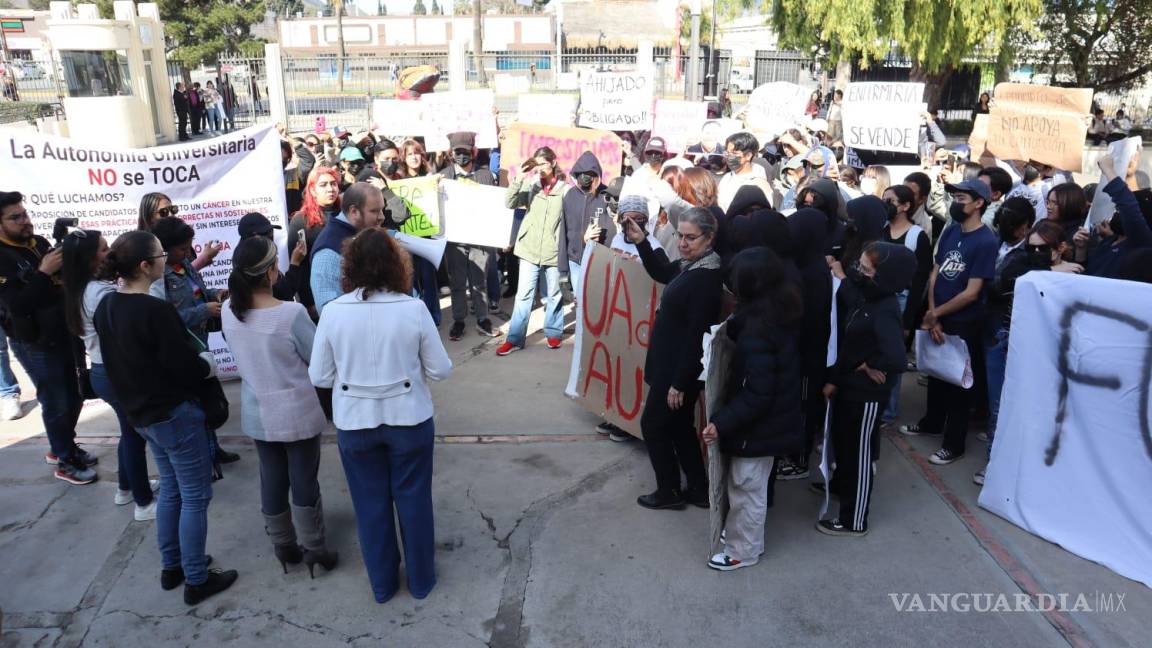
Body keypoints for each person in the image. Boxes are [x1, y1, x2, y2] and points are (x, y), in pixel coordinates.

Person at [94, 230, 237, 604]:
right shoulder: (154, 311)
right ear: (145, 265)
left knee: (173, 489)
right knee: (194, 496)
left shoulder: (108, 306)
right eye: (160, 254)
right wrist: (207, 367)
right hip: (173, 413)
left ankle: (173, 565)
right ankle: (196, 577)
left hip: (143, 416)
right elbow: (185, 367)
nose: (169, 258)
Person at [309, 228, 452, 604]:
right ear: (396, 264)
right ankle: (421, 582)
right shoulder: (413, 308)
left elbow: (319, 376)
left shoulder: (334, 312)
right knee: (414, 500)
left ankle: (382, 586)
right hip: (410, 419)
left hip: (355, 423)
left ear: (350, 266)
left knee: (370, 506)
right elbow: (440, 369)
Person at [221, 236, 337, 576]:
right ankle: (315, 548)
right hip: (296, 410)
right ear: (272, 271)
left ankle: (283, 546)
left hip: (258, 411)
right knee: (303, 479)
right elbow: (318, 357)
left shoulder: (229, 309)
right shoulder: (291, 313)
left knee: (271, 477)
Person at [701, 247, 804, 570]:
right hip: (767, 422)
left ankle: (742, 550)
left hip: (760, 426)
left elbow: (758, 392)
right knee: (747, 484)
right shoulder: (775, 311)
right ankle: (740, 537)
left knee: (747, 487)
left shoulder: (759, 328)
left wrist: (721, 421)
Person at [621, 207, 723, 509]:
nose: (682, 243)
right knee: (679, 427)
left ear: (710, 238)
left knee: (653, 425)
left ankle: (668, 491)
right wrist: (642, 241)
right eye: (680, 235)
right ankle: (697, 489)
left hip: (678, 370)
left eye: (691, 237)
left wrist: (680, 382)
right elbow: (664, 272)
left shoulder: (705, 277)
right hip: (672, 365)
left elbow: (697, 336)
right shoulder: (692, 264)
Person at [0, 191, 96, 484]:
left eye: (24, 214)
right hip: (34, 341)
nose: (24, 221)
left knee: (76, 393)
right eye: (15, 218)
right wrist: (43, 272)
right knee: (56, 400)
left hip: (65, 330)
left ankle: (64, 446)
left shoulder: (38, 243)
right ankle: (65, 461)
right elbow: (16, 306)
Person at [820, 242, 916, 536]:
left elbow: (896, 357)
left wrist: (866, 364)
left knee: (859, 455)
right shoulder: (865, 295)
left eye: (864, 269)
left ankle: (854, 519)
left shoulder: (885, 308)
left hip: (866, 395)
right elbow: (849, 296)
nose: (857, 272)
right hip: (848, 388)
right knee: (845, 447)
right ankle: (839, 486)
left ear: (883, 277)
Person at [901, 179, 998, 465]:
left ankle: (953, 444)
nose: (956, 202)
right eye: (954, 197)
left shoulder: (986, 241)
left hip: (964, 322)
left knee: (959, 383)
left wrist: (938, 314)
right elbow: (936, 273)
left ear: (979, 203)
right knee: (936, 373)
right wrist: (932, 313)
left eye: (962, 198)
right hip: (938, 317)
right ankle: (932, 422)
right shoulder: (952, 230)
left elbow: (972, 291)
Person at [62, 229, 158, 516]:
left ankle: (126, 488)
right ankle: (142, 502)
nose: (110, 254)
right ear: (90, 259)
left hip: (104, 372)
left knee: (129, 433)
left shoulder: (80, 290)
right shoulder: (101, 294)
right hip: (115, 372)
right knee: (134, 437)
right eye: (104, 249)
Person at [978, 220, 1082, 485]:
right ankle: (994, 464)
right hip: (1004, 343)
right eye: (1030, 248)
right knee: (999, 408)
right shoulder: (1021, 263)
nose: (1034, 253)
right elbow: (1000, 284)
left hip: (1044, 352)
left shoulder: (1075, 274)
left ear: (1061, 248)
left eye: (1042, 249)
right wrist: (1048, 268)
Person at [497, 146, 568, 355]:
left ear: (553, 163)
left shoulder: (564, 189)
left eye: (544, 163)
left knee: (553, 294)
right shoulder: (531, 185)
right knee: (523, 296)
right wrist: (518, 179)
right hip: (528, 249)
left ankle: (554, 332)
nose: (541, 168)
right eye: (537, 164)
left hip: (553, 251)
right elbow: (509, 203)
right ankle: (515, 338)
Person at [878, 185, 932, 427]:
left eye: (890, 201)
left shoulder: (916, 236)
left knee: (893, 356)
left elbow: (921, 281)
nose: (886, 204)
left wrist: (909, 320)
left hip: (901, 301)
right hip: (878, 298)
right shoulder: (881, 230)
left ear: (905, 206)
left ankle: (888, 410)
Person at [439, 131, 501, 340]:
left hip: (479, 237)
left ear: (473, 152)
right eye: (457, 152)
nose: (461, 156)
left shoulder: (484, 175)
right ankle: (459, 320)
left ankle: (483, 319)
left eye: (465, 152)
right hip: (454, 239)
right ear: (451, 153)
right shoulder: (444, 176)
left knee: (479, 281)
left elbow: (494, 205)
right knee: (457, 282)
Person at [310, 182, 385, 314]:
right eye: (374, 211)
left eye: (381, 210)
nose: (381, 217)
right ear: (354, 211)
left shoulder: (365, 233)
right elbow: (327, 309)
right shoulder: (328, 251)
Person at [1077, 155, 1152, 278]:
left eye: (1119, 209)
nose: (1117, 213)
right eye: (1116, 209)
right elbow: (1086, 274)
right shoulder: (1108, 241)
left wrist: (1109, 170)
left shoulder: (1141, 241)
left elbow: (1128, 205)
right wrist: (1081, 250)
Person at [558, 151, 615, 297]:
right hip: (575, 261)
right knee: (580, 305)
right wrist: (563, 270)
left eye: (590, 173)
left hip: (599, 263)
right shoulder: (570, 195)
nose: (585, 176)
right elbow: (564, 232)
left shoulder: (605, 195)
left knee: (596, 305)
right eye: (581, 172)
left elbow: (613, 230)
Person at [288, 167, 342, 317]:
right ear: (312, 190)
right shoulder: (300, 220)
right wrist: (308, 302)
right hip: (318, 297)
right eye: (323, 185)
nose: (330, 189)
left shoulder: (345, 214)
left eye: (333, 184)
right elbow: (299, 264)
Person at [237, 212, 308, 302]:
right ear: (253, 236)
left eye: (271, 232)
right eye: (266, 233)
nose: (271, 237)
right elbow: (281, 293)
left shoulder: (247, 255)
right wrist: (295, 263)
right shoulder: (251, 261)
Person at [718, 132, 767, 212]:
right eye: (727, 153)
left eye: (734, 153)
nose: (729, 156)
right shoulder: (727, 177)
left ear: (748, 155)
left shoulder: (759, 182)